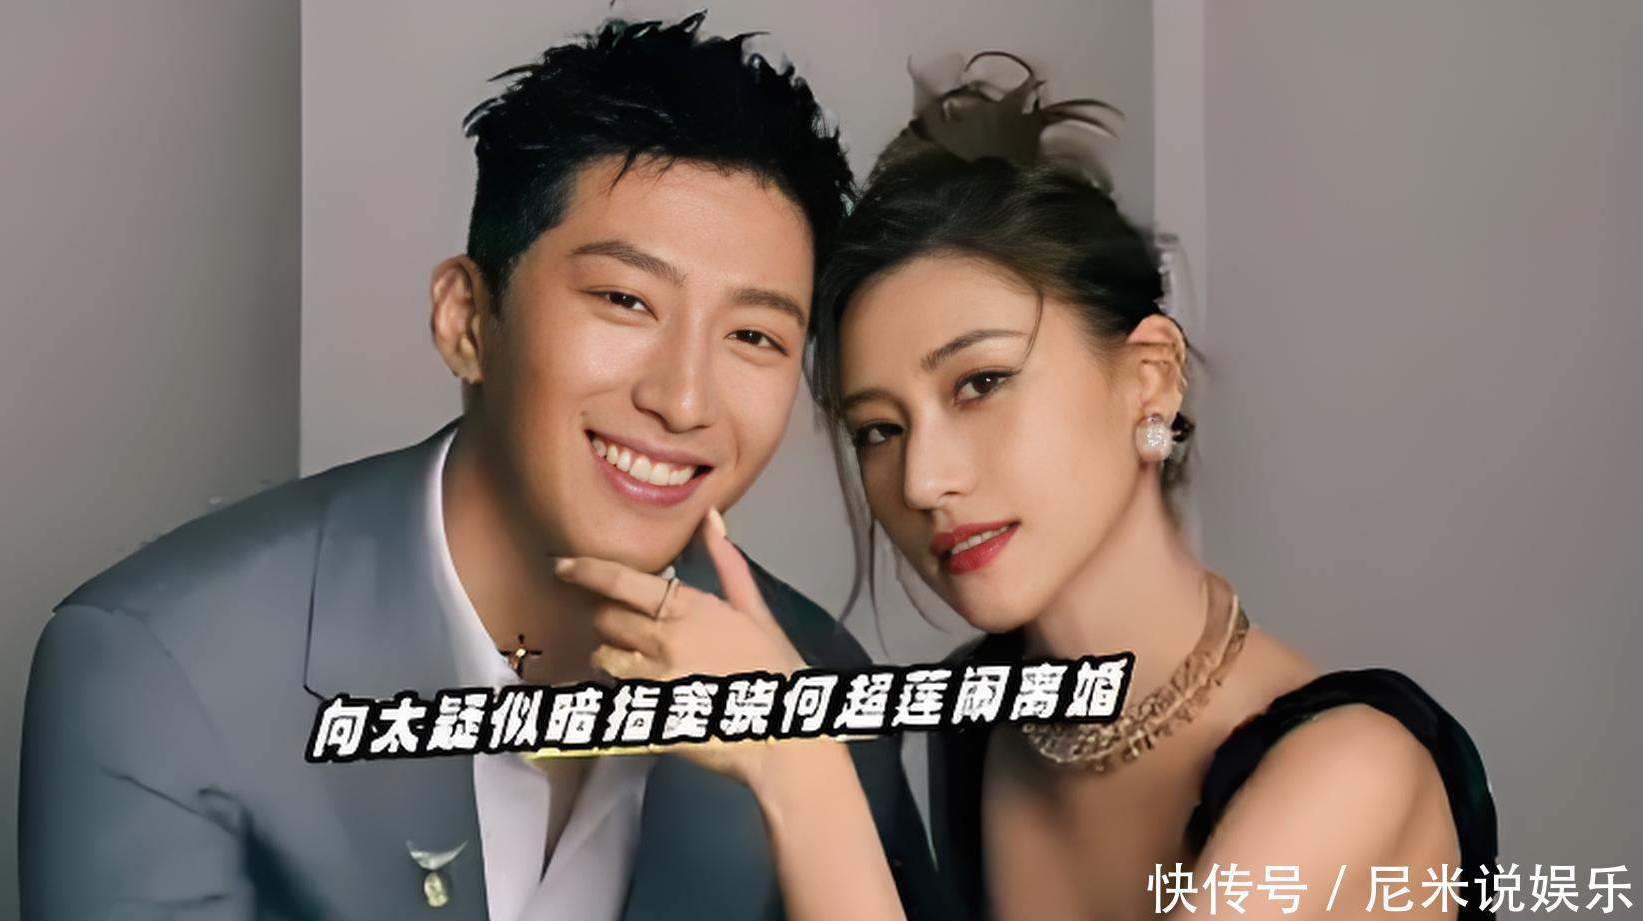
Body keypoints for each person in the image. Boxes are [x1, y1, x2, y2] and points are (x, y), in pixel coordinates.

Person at [18, 15, 948, 921]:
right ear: (467, 319)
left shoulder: (816, 677)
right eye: (625, 299)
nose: (684, 399)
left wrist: (801, 771)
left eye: (754, 336)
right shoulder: (163, 666)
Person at [566, 56, 1498, 920]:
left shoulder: (1352, 773)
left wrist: (798, 765)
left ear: (1150, 380)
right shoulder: (981, 729)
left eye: (981, 383)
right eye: (879, 430)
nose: (924, 479)